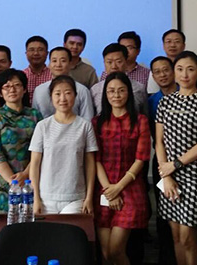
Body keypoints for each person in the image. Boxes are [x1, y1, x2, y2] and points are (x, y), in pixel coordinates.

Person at [155, 51, 197, 265]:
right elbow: (159, 142)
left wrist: (174, 165)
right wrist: (166, 175)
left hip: (195, 175)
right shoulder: (165, 103)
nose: (184, 74)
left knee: (187, 237)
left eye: (190, 69)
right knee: (175, 235)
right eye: (180, 69)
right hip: (168, 176)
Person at [93, 72, 151, 265]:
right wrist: (109, 190)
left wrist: (118, 188)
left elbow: (141, 159)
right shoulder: (97, 122)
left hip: (130, 189)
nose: (116, 95)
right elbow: (96, 159)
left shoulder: (140, 121)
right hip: (103, 189)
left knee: (116, 250)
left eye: (121, 90)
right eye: (111, 91)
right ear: (105, 94)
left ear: (128, 93)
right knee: (106, 254)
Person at [29, 75, 98, 214]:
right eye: (57, 94)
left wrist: (89, 197)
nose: (63, 98)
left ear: (75, 95)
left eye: (68, 93)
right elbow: (35, 164)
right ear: (51, 97)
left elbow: (90, 163)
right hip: (45, 197)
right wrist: (35, 198)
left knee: (70, 228)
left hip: (75, 197)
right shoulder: (42, 126)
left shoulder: (85, 126)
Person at [0, 69, 42, 212]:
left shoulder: (35, 115)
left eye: (17, 85)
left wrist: (25, 174)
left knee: (28, 221)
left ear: (24, 89)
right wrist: (13, 181)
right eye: (7, 86)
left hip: (29, 180)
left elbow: (41, 150)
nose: (12, 90)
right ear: (0, 92)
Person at [147, 57, 177, 265]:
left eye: (166, 70)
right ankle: (165, 250)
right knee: (163, 204)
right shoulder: (152, 101)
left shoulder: (188, 95)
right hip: (160, 159)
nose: (162, 75)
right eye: (157, 72)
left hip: (186, 162)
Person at [32, 47, 95, 120]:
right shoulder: (39, 90)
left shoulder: (82, 90)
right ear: (49, 64)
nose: (58, 64)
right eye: (54, 61)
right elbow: (35, 119)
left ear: (70, 64)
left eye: (63, 61)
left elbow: (87, 119)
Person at [91, 43, 147, 116]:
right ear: (104, 63)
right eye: (109, 62)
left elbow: (145, 114)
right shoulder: (95, 90)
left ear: (126, 62)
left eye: (119, 62)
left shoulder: (139, 88)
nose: (114, 66)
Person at [147, 29, 186, 94]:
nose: (172, 45)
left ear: (184, 45)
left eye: (177, 41)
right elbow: (153, 93)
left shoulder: (191, 66)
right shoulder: (156, 67)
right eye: (168, 41)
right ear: (163, 46)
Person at [23, 36, 52, 101]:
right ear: (26, 53)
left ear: (47, 53)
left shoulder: (53, 75)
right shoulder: (21, 76)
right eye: (32, 50)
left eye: (40, 50)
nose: (36, 53)